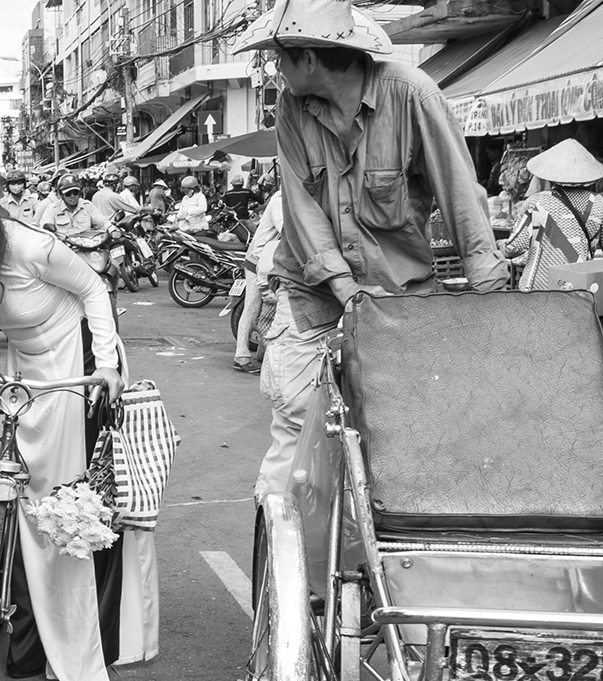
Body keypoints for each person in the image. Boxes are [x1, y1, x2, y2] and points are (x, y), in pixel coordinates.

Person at [233, 0, 509, 500]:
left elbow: (460, 192)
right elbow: (301, 209)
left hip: (399, 293)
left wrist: (492, 293)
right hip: (310, 290)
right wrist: (344, 289)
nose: (275, 68)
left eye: (280, 57)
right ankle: (281, 555)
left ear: (308, 59)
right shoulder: (292, 109)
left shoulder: (412, 93)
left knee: (403, 429)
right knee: (295, 422)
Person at [0, 146, 158, 681]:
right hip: (22, 364)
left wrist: (109, 368)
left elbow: (96, 290)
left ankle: (67, 636)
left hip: (77, 363)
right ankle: (25, 632)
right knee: (18, 493)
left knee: (60, 502)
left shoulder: (31, 244)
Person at [503, 140, 603, 291]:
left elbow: (513, 248)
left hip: (538, 288)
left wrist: (499, 245)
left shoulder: (536, 202)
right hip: (579, 288)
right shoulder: (599, 203)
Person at [233, 190, 283, 374]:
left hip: (272, 263)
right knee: (253, 308)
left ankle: (263, 352)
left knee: (271, 309)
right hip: (258, 261)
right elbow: (287, 229)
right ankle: (241, 355)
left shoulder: (291, 199)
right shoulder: (280, 199)